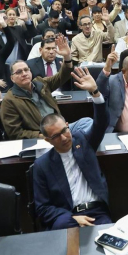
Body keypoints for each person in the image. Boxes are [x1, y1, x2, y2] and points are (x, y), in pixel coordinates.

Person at [33, 67, 110, 230]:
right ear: (47, 140)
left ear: (68, 126)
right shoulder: (42, 165)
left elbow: (101, 123)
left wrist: (95, 92)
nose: (63, 138)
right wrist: (73, 218)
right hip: (67, 216)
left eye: (64, 131)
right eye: (56, 136)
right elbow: (42, 207)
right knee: (64, 233)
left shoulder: (84, 141)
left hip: (96, 211)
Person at [0, 36, 73, 140]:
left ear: (30, 72)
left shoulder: (41, 83)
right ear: (12, 78)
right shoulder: (10, 100)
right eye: (19, 72)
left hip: (60, 127)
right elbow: (15, 133)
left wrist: (67, 57)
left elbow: (63, 76)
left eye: (26, 70)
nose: (24, 74)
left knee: (86, 122)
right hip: (42, 136)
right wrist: (42, 136)